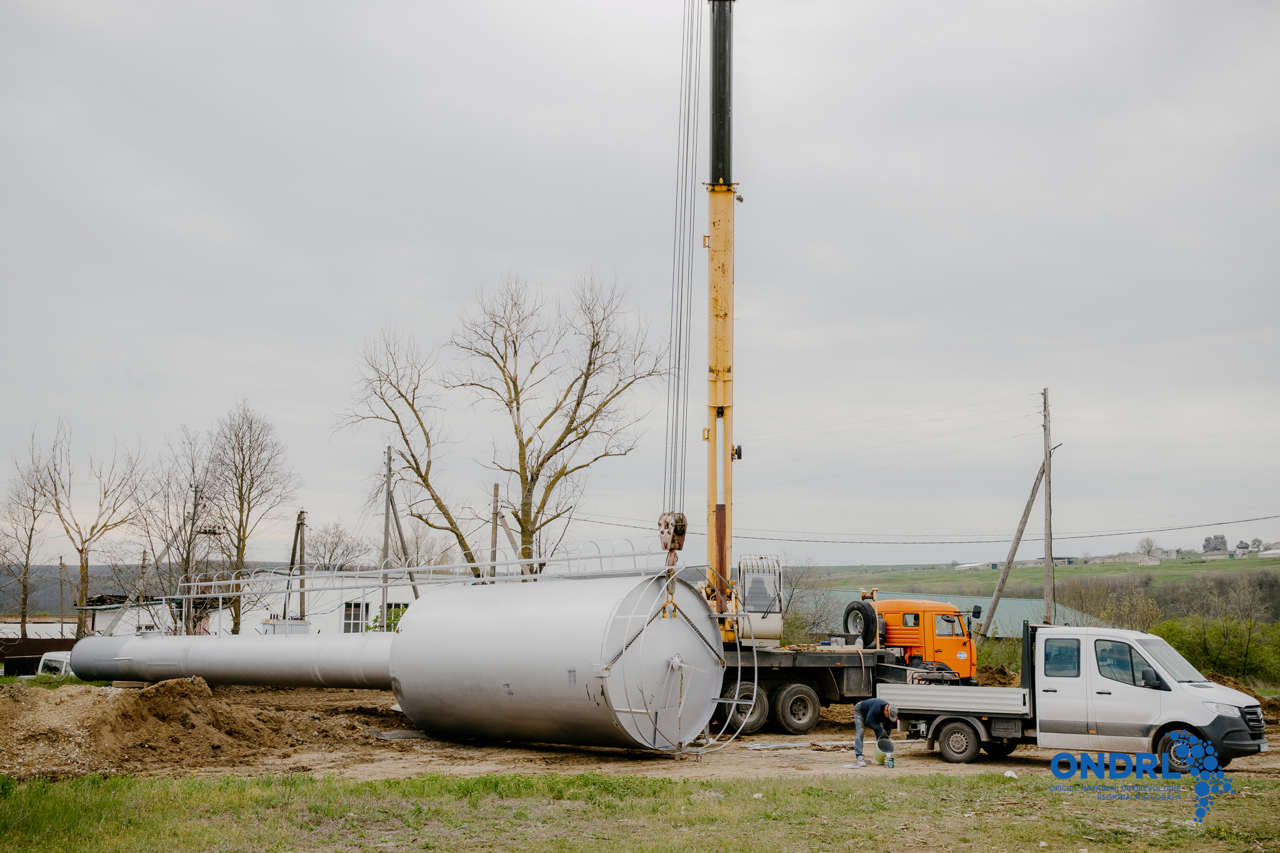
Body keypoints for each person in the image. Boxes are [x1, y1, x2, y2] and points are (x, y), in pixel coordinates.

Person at [852, 697, 897, 767]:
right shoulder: (877, 707)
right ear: (886, 710)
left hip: (874, 717)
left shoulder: (890, 714)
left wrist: (885, 737)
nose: (889, 718)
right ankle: (859, 756)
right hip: (860, 710)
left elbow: (888, 729)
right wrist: (880, 730)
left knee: (882, 735)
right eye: (889, 716)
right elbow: (869, 721)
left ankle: (882, 757)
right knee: (860, 732)